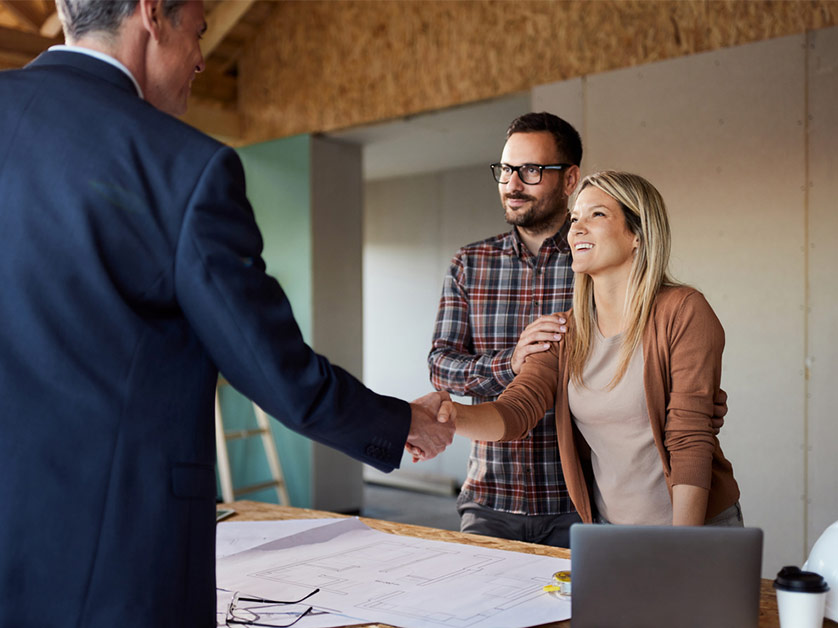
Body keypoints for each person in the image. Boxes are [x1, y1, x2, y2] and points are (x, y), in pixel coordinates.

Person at [0, 1, 453, 626]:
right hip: (113, 562)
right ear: (153, 14)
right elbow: (272, 367)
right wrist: (401, 421)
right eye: (199, 31)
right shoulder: (184, 167)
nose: (203, 59)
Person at [440, 171, 742, 527]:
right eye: (575, 218)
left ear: (638, 235)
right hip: (610, 530)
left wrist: (680, 548)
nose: (576, 229)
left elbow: (689, 438)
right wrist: (448, 416)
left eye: (596, 214)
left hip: (694, 527)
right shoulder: (566, 332)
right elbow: (515, 412)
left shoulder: (683, 310)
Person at [428, 112, 583, 547]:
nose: (513, 183)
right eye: (506, 169)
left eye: (531, 170)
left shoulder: (598, 260)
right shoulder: (469, 263)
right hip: (488, 501)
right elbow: (440, 366)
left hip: (582, 504)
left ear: (570, 179)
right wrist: (509, 363)